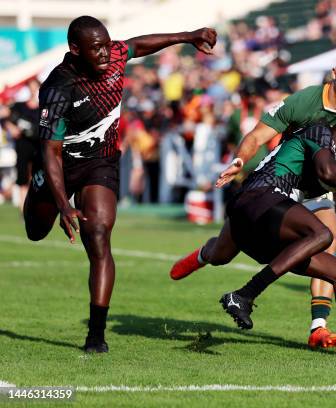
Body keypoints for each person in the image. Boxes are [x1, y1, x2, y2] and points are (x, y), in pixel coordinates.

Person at [172, 47, 336, 349]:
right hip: (265, 193)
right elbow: (268, 142)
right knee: (311, 235)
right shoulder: (310, 110)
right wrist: (239, 160)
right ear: (335, 74)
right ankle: (239, 289)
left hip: (295, 198)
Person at [24, 15, 217, 353]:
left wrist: (188, 35)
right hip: (60, 166)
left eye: (107, 45)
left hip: (101, 162)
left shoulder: (113, 54)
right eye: (95, 48)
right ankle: (42, 192)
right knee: (35, 231)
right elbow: (51, 152)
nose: (104, 54)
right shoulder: (58, 87)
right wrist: (63, 204)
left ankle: (96, 335)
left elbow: (140, 44)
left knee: (98, 233)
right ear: (75, 49)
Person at [179, 110, 336, 359]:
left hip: (262, 222)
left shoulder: (321, 155)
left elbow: (330, 177)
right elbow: (329, 172)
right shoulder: (319, 130)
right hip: (259, 198)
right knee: (322, 234)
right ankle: (244, 295)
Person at [3, 80, 41, 212]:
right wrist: (11, 127)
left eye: (35, 87)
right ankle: (23, 210)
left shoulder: (43, 108)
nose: (32, 90)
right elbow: (4, 117)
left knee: (37, 178)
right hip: (22, 146)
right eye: (30, 87)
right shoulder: (19, 106)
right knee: (23, 178)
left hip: (37, 147)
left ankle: (35, 208)